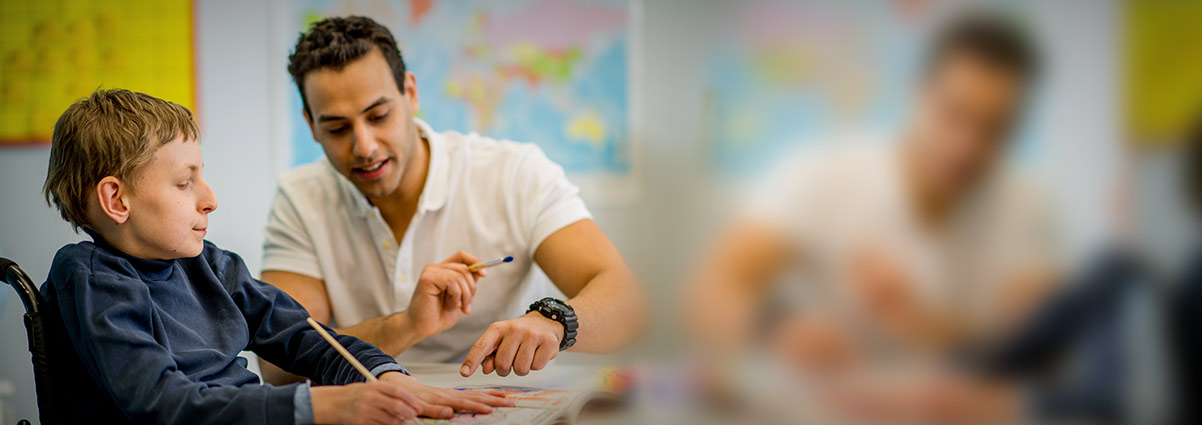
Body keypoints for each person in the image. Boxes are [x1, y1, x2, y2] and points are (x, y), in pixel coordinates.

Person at [39, 89, 511, 424]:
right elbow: (162, 404)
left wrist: (385, 376)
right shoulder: (87, 277)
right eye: (185, 183)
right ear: (116, 200)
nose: (209, 198)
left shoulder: (210, 264)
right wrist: (322, 407)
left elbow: (306, 336)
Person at [257, 16, 646, 381]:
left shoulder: (515, 173)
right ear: (311, 125)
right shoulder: (300, 198)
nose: (364, 146)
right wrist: (406, 326)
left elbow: (627, 303)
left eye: (378, 117)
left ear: (410, 93)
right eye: (338, 128)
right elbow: (278, 366)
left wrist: (554, 322)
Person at [686, 13, 1059, 366]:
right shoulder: (823, 173)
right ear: (918, 94)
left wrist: (919, 323)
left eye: (994, 127)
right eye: (954, 112)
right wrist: (779, 332)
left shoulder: (1027, 205)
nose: (967, 145)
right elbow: (711, 293)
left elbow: (1040, 353)